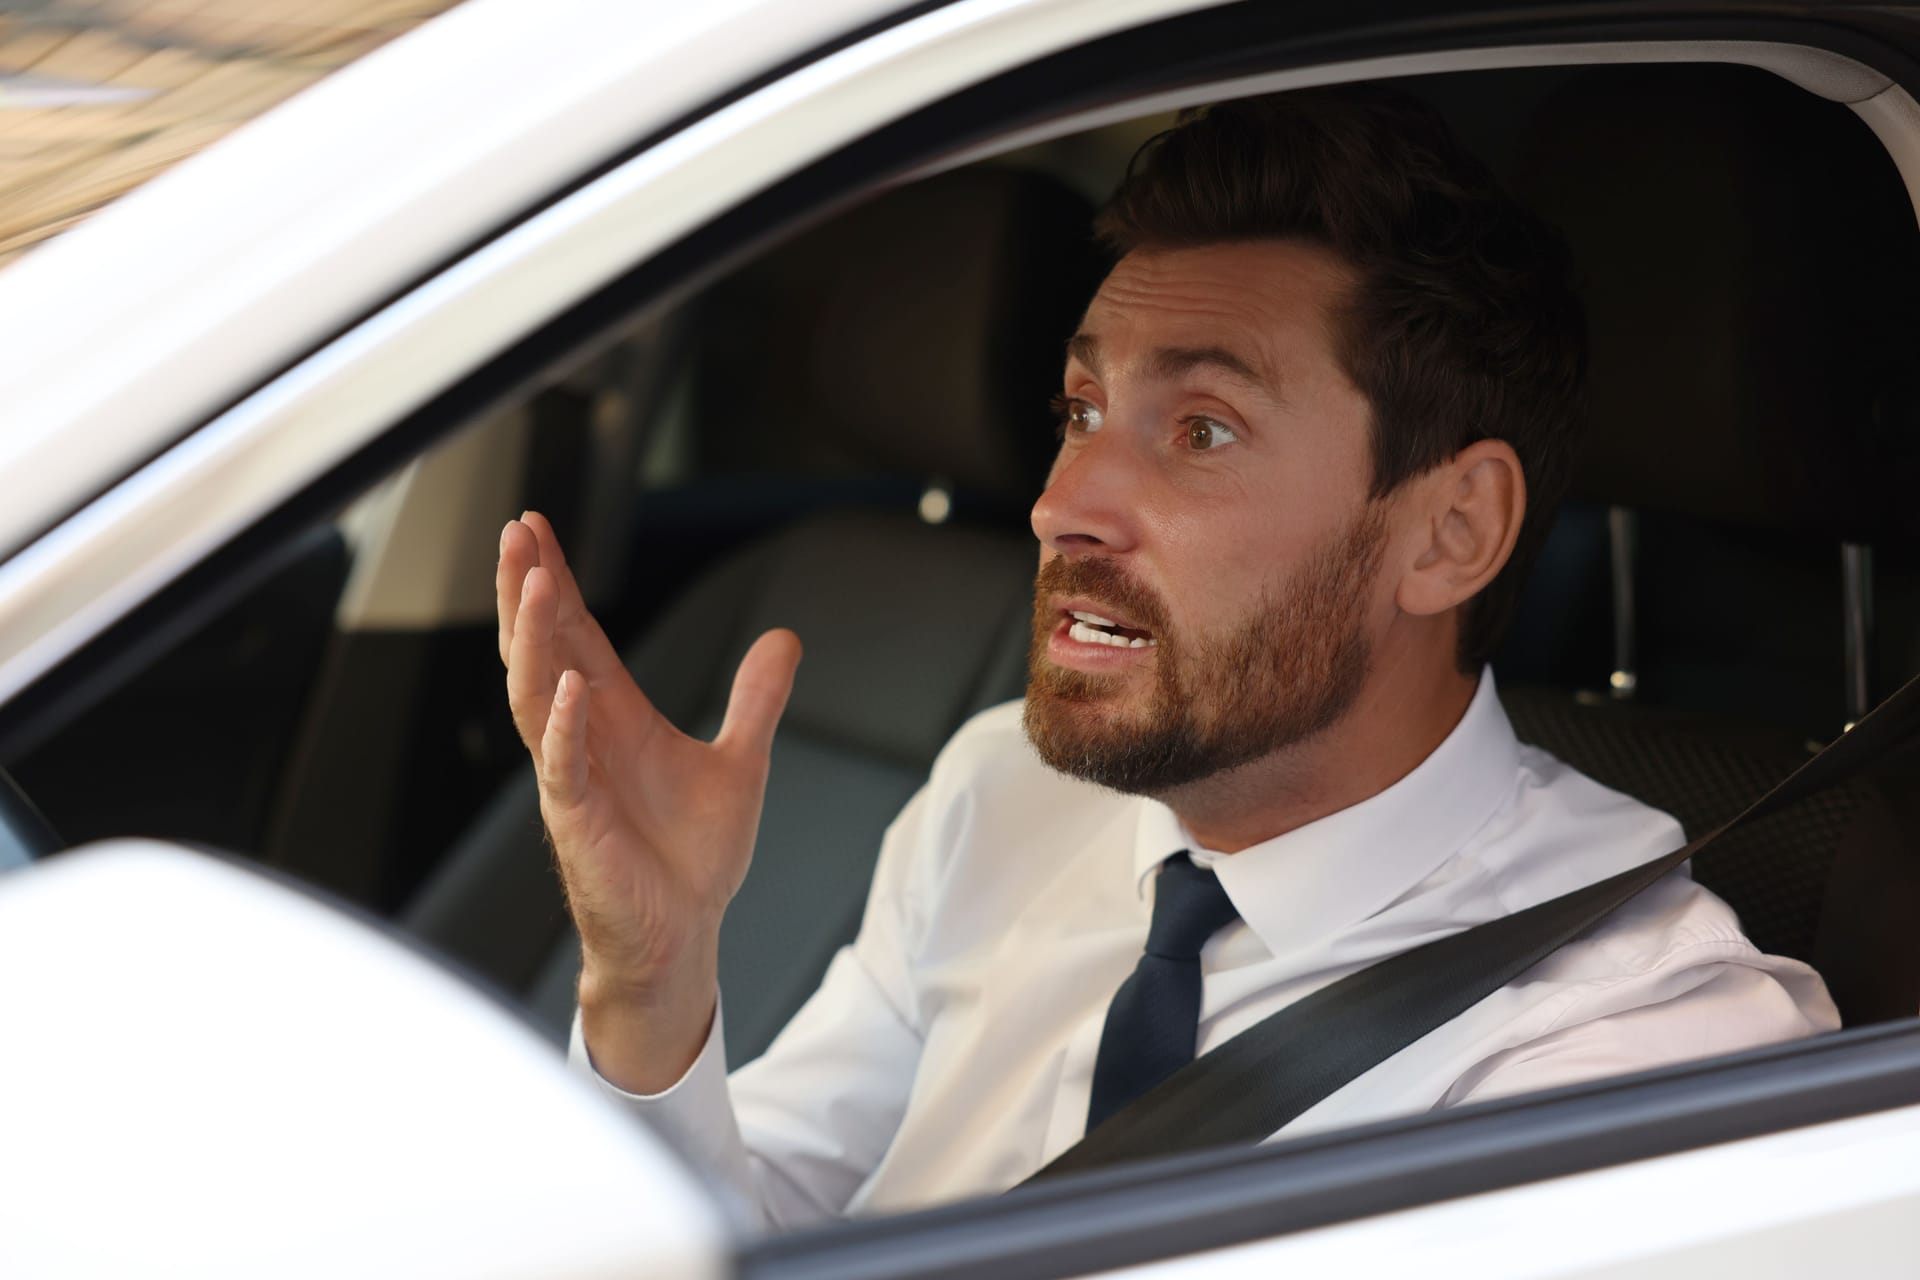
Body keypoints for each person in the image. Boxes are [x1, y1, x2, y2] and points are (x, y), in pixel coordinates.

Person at [495, 89, 1837, 1229]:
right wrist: (656, 989)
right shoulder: (1000, 797)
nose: (1064, 500)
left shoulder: (1641, 1055)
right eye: (1082, 407)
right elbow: (766, 1220)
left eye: (1201, 430)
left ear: (1451, 530)